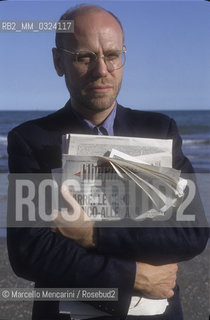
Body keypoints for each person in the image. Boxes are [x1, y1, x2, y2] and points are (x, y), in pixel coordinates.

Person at [7, 4, 208, 320]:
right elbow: (29, 253)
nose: (102, 70)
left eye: (112, 55)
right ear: (59, 61)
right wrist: (134, 276)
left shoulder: (161, 130)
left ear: (123, 57)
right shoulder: (31, 139)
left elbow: (191, 234)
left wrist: (93, 233)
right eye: (84, 57)